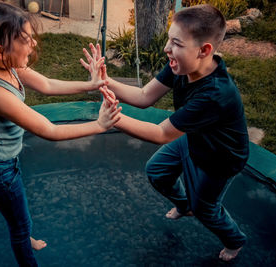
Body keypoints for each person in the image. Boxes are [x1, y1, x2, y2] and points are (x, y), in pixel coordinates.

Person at [0, 1, 120, 266]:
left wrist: (91, 85)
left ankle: (23, 232)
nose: (34, 44)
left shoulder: (5, 64)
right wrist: (100, 125)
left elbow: (47, 85)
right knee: (20, 226)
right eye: (26, 40)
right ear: (0, 51)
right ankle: (24, 239)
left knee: (15, 214)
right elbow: (49, 130)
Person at [82, 4, 248, 262]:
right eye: (169, 40)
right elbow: (144, 96)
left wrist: (111, 120)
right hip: (193, 138)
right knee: (157, 171)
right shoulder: (182, 65)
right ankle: (185, 206)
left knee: (205, 209)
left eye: (176, 43)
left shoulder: (215, 94)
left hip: (219, 159)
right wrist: (103, 80)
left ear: (204, 50)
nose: (166, 49)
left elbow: (161, 133)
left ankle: (235, 240)